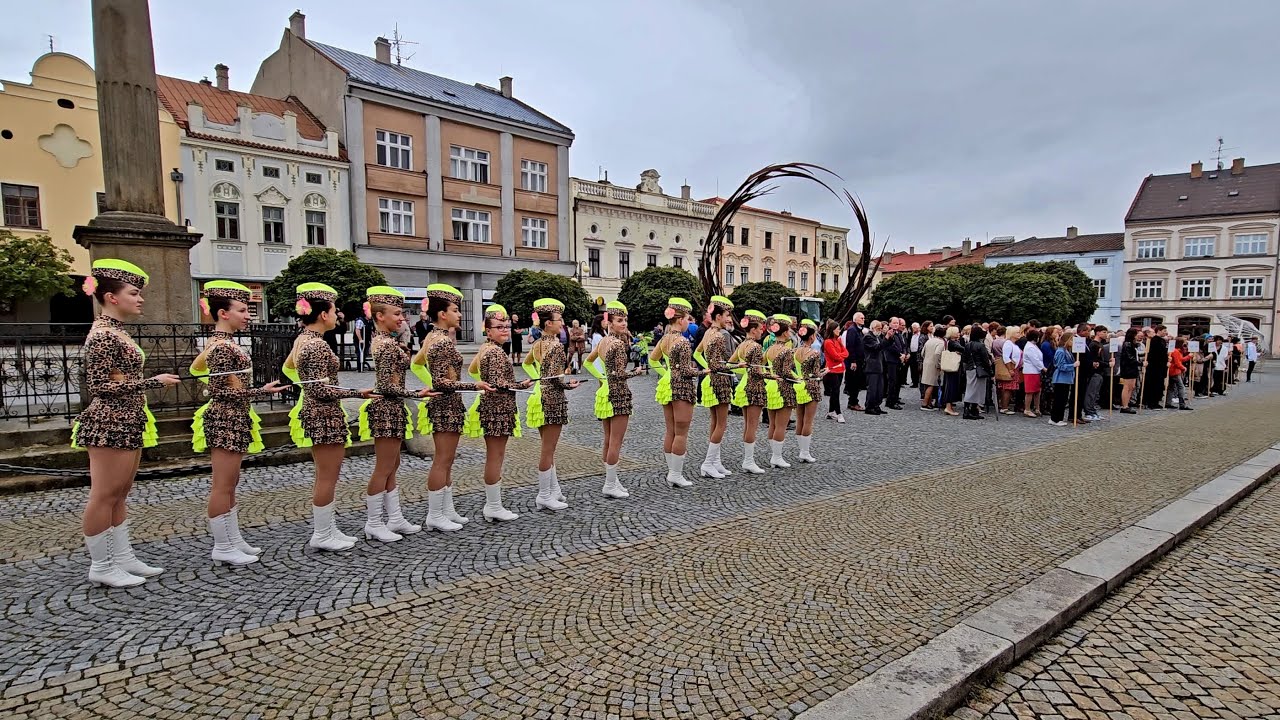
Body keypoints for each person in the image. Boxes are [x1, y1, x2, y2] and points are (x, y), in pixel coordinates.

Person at [74, 260, 182, 587]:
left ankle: (121, 557)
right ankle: (102, 565)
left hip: (127, 417)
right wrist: (152, 382)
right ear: (111, 297)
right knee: (104, 494)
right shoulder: (104, 335)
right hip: (109, 421)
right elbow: (100, 385)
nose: (141, 299)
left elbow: (118, 378)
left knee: (119, 494)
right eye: (133, 293)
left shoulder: (117, 331)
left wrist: (137, 382)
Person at [190, 281, 287, 565]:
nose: (248, 316)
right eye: (243, 310)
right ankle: (222, 546)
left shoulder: (225, 343)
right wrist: (261, 392)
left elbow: (198, 371)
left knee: (231, 483)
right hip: (225, 418)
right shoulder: (221, 347)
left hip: (235, 416)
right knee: (222, 485)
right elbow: (221, 390)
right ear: (223, 313)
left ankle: (232, 539)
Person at [283, 283, 376, 551]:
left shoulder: (304, 339)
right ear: (323, 314)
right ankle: (322, 533)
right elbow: (317, 387)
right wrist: (357, 392)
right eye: (335, 310)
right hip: (323, 413)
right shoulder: (314, 345)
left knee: (328, 474)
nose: (338, 315)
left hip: (321, 411)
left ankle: (328, 528)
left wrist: (305, 393)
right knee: (327, 475)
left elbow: (289, 369)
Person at [357, 287, 435, 542]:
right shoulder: (385, 345)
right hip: (387, 409)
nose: (402, 318)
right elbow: (388, 386)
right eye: (397, 313)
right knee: (383, 467)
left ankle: (395, 517)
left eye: (402, 313)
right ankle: (374, 522)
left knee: (392, 465)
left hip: (393, 408)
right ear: (380, 316)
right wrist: (417, 393)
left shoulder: (386, 342)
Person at [415, 284, 493, 531]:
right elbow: (441, 381)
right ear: (442, 314)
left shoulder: (435, 337)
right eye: (455, 310)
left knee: (446, 460)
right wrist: (474, 385)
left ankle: (445, 509)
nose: (459, 314)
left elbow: (420, 367)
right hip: (445, 405)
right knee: (442, 459)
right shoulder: (440, 341)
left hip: (449, 403)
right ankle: (435, 514)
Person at [462, 305, 533, 522]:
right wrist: (521, 385)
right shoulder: (493, 351)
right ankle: (493, 505)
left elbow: (474, 371)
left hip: (494, 406)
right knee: (495, 457)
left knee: (496, 456)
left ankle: (494, 504)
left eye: (507, 326)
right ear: (488, 330)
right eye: (499, 327)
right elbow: (499, 383)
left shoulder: (486, 348)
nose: (505, 330)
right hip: (497, 408)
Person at [524, 299, 581, 511]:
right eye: (559, 319)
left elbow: (526, 364)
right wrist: (569, 385)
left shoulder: (538, 344)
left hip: (538, 397)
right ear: (548, 323)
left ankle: (554, 489)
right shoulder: (556, 346)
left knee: (548, 449)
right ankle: (544, 494)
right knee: (548, 450)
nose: (562, 323)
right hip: (552, 399)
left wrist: (536, 379)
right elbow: (556, 378)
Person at [585, 301, 645, 497]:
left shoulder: (603, 341)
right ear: (609, 323)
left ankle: (612, 480)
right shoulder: (618, 344)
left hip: (605, 392)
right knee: (615, 441)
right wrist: (636, 372)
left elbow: (588, 362)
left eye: (625, 320)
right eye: (619, 320)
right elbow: (619, 374)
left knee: (608, 439)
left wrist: (602, 378)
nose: (624, 323)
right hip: (617, 393)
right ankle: (610, 484)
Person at [649, 298, 705, 487]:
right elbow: (686, 371)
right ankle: (675, 473)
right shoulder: (681, 341)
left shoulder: (665, 339)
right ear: (680, 320)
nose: (689, 323)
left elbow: (653, 360)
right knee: (681, 432)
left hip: (667, 384)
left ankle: (672, 470)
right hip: (681, 386)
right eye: (688, 319)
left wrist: (666, 374)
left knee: (671, 430)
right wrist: (703, 371)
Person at [696, 296, 738, 477]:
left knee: (714, 423)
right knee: (721, 424)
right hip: (720, 381)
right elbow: (725, 363)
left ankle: (716, 462)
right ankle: (707, 462)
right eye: (727, 315)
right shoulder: (721, 335)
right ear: (718, 316)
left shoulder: (707, 333)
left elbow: (696, 353)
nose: (729, 319)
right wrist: (738, 365)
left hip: (710, 380)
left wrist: (707, 367)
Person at [730, 310, 771, 474]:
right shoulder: (755, 346)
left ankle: (748, 460)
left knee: (748, 425)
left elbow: (729, 364)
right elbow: (757, 372)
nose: (762, 331)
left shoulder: (742, 345)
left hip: (744, 385)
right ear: (753, 329)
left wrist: (741, 369)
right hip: (754, 387)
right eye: (760, 328)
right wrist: (774, 376)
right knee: (752, 425)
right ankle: (748, 460)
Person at [764, 314, 799, 467]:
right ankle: (776, 457)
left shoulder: (770, 348)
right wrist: (799, 379)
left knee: (772, 423)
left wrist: (769, 376)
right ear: (785, 333)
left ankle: (774, 455)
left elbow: (760, 365)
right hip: (783, 386)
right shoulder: (786, 350)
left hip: (771, 385)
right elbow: (786, 371)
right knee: (781, 425)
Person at [792, 319, 825, 463]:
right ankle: (804, 452)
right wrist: (825, 372)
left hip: (799, 384)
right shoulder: (814, 353)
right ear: (812, 336)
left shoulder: (796, 351)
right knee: (808, 421)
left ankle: (802, 450)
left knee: (799, 419)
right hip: (811, 386)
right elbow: (816, 373)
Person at [962, 324, 993, 420]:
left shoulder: (968, 345)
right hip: (979, 369)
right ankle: (971, 410)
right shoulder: (981, 345)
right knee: (976, 391)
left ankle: (970, 410)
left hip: (970, 368)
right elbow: (985, 360)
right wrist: (991, 372)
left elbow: (964, 359)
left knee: (971, 389)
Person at [1050, 331, 1079, 427]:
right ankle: (1055, 418)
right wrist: (1073, 365)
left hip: (1066, 379)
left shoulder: (1067, 351)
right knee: (1059, 399)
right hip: (1060, 378)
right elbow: (1060, 366)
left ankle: (1059, 418)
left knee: (1063, 399)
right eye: (1072, 340)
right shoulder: (1060, 351)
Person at [821, 319, 848, 423]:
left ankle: (831, 411)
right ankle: (838, 412)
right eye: (837, 329)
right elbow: (836, 356)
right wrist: (841, 356)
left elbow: (846, 353)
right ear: (832, 330)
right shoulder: (828, 342)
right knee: (835, 392)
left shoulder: (838, 340)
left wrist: (841, 356)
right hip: (832, 370)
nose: (839, 330)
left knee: (835, 392)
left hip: (840, 369)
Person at [1142, 325, 1170, 410]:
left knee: (1159, 384)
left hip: (1161, 366)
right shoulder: (1153, 341)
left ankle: (1156, 401)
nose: (1166, 332)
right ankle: (1151, 402)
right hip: (1154, 367)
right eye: (1164, 331)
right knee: (1153, 384)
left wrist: (1167, 358)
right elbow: (1153, 354)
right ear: (1159, 331)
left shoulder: (1162, 341)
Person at [998, 326, 1024, 415]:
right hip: (1011, 368)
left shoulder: (1013, 344)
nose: (1019, 334)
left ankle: (1005, 406)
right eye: (1017, 332)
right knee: (1007, 388)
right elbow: (1006, 357)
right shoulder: (1008, 343)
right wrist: (1010, 369)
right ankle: (1004, 407)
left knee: (1009, 388)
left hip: (1015, 368)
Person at [861, 320, 885, 415]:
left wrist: (889, 339)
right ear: (873, 328)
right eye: (878, 328)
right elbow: (877, 347)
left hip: (878, 366)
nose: (880, 330)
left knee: (880, 388)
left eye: (880, 328)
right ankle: (870, 407)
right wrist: (886, 338)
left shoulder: (877, 337)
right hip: (872, 366)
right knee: (872, 388)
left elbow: (883, 346)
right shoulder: (868, 337)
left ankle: (876, 405)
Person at [844, 311, 866, 411]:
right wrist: (853, 361)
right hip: (854, 361)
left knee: (857, 382)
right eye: (861, 318)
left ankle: (853, 401)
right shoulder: (852, 330)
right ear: (855, 319)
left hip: (859, 360)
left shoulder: (859, 330)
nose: (863, 319)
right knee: (854, 382)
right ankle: (852, 402)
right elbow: (850, 346)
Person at [940, 326, 964, 417]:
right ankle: (948, 407)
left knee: (949, 386)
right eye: (957, 332)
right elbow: (963, 349)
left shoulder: (949, 342)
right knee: (951, 387)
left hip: (950, 367)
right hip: (953, 368)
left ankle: (949, 406)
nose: (959, 333)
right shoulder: (953, 343)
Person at [1021, 328, 1045, 418]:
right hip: (1031, 371)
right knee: (1030, 391)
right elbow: (1035, 360)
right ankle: (1027, 409)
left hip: (1035, 371)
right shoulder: (1029, 347)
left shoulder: (1033, 345)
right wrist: (1043, 368)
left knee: (1037, 391)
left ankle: (1037, 408)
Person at [920, 325, 944, 411]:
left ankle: (929, 403)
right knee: (931, 384)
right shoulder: (940, 342)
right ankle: (925, 403)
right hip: (933, 365)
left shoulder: (929, 341)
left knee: (927, 383)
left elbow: (922, 353)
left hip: (926, 363)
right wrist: (938, 364)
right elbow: (937, 353)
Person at [884, 318, 907, 410]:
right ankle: (890, 402)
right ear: (890, 324)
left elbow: (903, 345)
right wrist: (900, 354)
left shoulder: (898, 333)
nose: (896, 324)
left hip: (898, 359)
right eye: (894, 323)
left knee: (897, 381)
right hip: (891, 360)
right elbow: (890, 346)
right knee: (892, 381)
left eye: (897, 323)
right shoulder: (889, 333)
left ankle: (895, 399)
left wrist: (904, 353)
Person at [1166, 337, 1192, 411]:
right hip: (1175, 371)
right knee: (1181, 387)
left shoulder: (1176, 351)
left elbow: (1180, 360)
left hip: (1173, 371)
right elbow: (1178, 363)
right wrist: (1183, 368)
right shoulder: (1176, 351)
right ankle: (1182, 404)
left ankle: (1168, 402)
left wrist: (1188, 356)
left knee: (1171, 387)